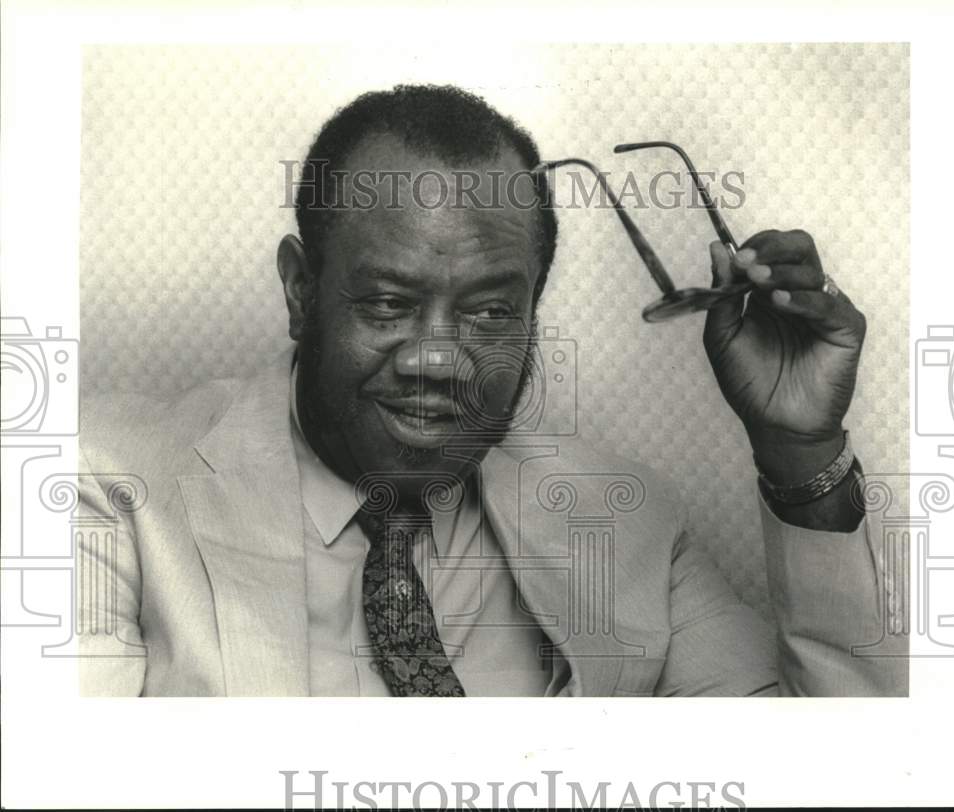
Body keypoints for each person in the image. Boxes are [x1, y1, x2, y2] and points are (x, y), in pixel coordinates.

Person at [78, 84, 906, 697]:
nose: (438, 359)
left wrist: (799, 457)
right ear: (301, 291)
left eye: (488, 312)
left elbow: (834, 774)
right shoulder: (104, 487)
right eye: (388, 304)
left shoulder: (624, 521)